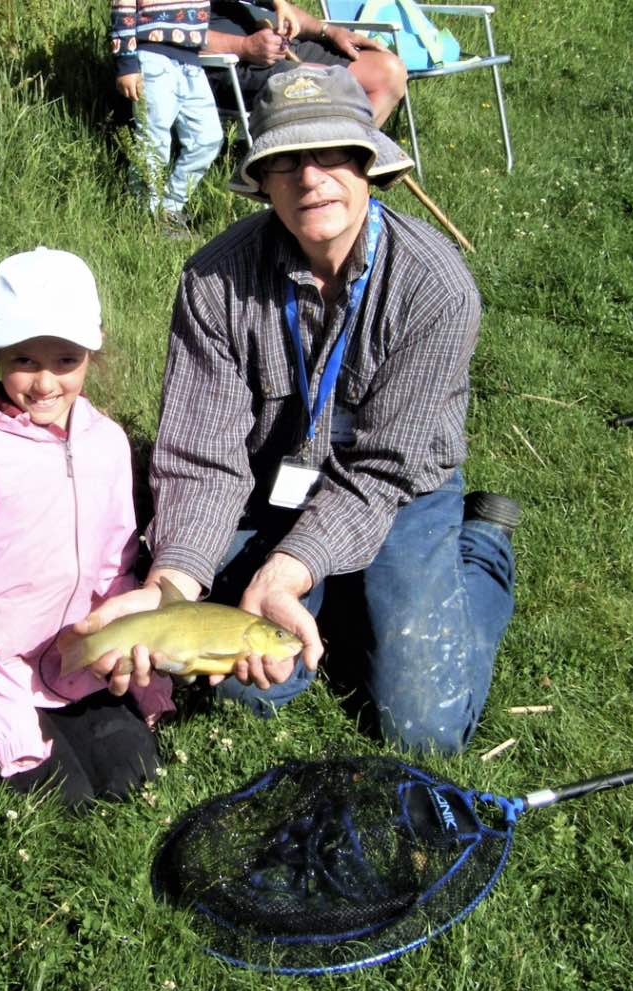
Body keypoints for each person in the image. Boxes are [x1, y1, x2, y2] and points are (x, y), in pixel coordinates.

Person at [76, 66, 518, 757]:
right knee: (253, 685)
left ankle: (482, 548)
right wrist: (173, 587)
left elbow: (384, 470)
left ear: (368, 165)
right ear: (262, 181)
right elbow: (203, 457)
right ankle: (341, 590)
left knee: (425, 731)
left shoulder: (437, 288)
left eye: (334, 155)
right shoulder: (213, 279)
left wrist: (284, 570)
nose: (311, 179)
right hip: (269, 479)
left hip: (398, 492)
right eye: (285, 162)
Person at [0, 247, 173, 805]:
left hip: (69, 663)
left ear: (91, 353)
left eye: (65, 359)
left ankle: (58, 714)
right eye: (24, 360)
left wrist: (142, 679)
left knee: (133, 776)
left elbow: (116, 569)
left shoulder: (106, 442)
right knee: (64, 797)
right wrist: (8, 726)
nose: (45, 382)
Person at [111, 0, 224, 235]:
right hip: (152, 55)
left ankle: (170, 208)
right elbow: (123, 7)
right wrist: (126, 62)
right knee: (154, 141)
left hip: (191, 60)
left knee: (209, 138)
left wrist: (278, 5)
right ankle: (145, 216)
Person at [202, 0, 407, 126]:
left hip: (285, 45)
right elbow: (173, 33)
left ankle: (352, 161)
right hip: (232, 62)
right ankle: (323, 170)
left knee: (389, 72)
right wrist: (244, 46)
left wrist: (328, 31)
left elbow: (281, 11)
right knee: (330, 84)